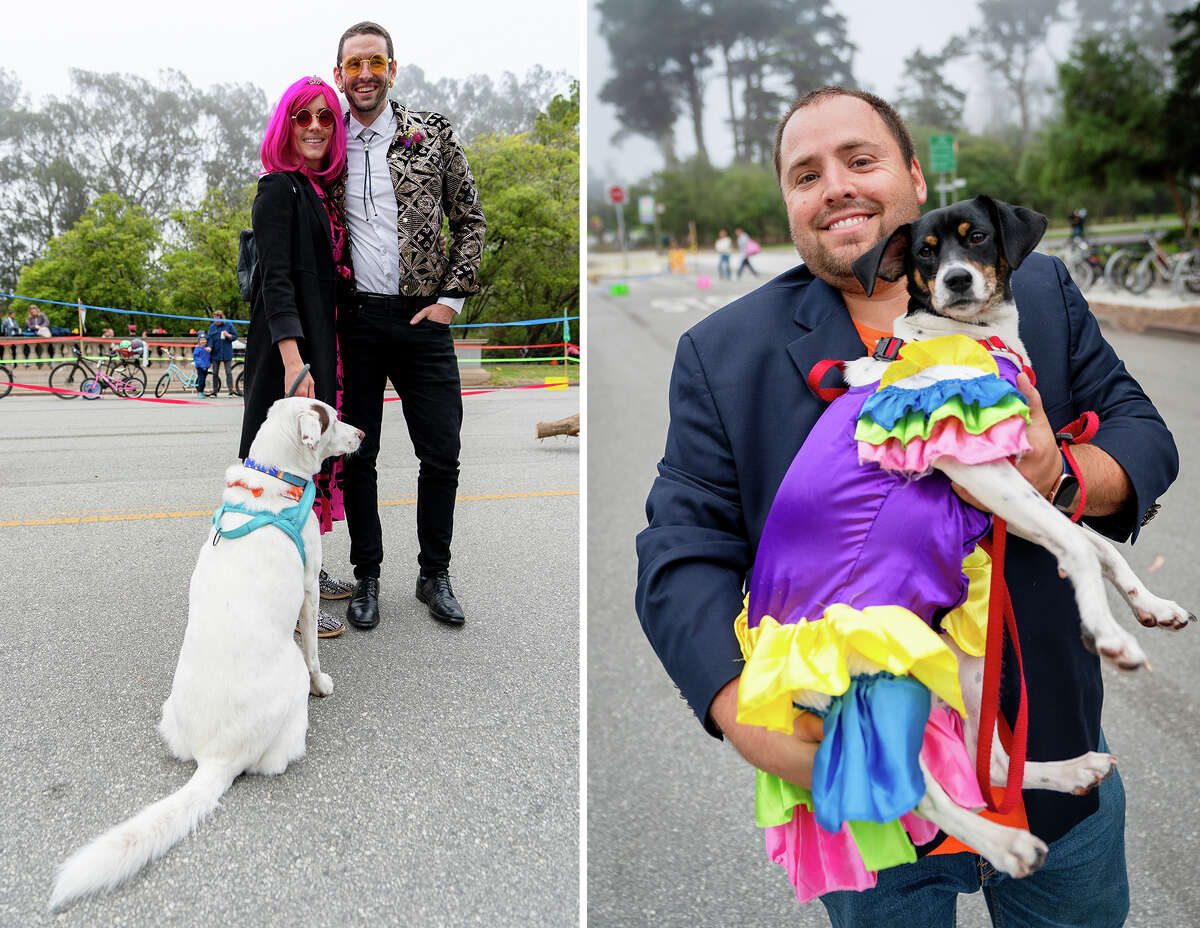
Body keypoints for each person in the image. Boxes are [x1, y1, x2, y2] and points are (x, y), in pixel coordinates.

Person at [634, 86, 1178, 927]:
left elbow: (1143, 432)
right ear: (788, 203)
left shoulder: (1043, 289)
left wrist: (1062, 472)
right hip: (876, 816)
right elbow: (680, 549)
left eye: (860, 159)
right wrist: (742, 719)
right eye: (806, 174)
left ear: (916, 178)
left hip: (1055, 759)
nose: (836, 186)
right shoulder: (721, 352)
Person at [330, 21, 486, 630]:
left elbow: (469, 218)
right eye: (353, 65)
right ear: (340, 72)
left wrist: (451, 297)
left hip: (424, 319)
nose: (364, 74)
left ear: (392, 68)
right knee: (357, 456)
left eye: (375, 62)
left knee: (441, 453)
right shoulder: (328, 140)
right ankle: (366, 575)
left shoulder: (434, 133)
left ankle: (434, 574)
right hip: (359, 319)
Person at [238, 75, 356, 638]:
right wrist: (293, 358)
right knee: (276, 470)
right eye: (302, 116)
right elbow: (275, 281)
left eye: (325, 117)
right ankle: (281, 603)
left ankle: (306, 567)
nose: (314, 126)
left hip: (317, 344)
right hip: (287, 351)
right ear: (285, 126)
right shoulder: (277, 188)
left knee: (305, 467)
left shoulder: (313, 192)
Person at [206, 309, 238, 396]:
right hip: (216, 353)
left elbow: (235, 336)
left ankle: (231, 391)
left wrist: (228, 335)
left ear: (221, 318)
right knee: (215, 373)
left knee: (228, 372)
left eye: (217, 319)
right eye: (214, 319)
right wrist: (209, 347)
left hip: (226, 353)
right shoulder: (212, 327)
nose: (216, 321)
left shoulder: (228, 325)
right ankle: (215, 391)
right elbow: (210, 339)